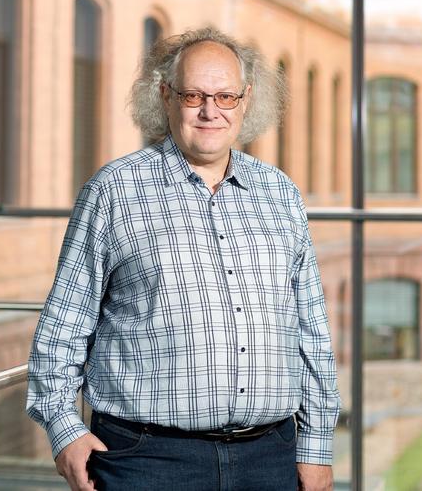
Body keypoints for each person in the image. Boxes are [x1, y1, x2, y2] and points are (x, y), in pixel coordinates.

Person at [26, 27, 341, 491]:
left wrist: (316, 444)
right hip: (146, 461)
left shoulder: (281, 194)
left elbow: (310, 330)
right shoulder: (114, 191)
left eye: (225, 96)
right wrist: (64, 430)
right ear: (165, 96)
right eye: (194, 95)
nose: (210, 110)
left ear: (246, 99)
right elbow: (63, 328)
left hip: (270, 459)